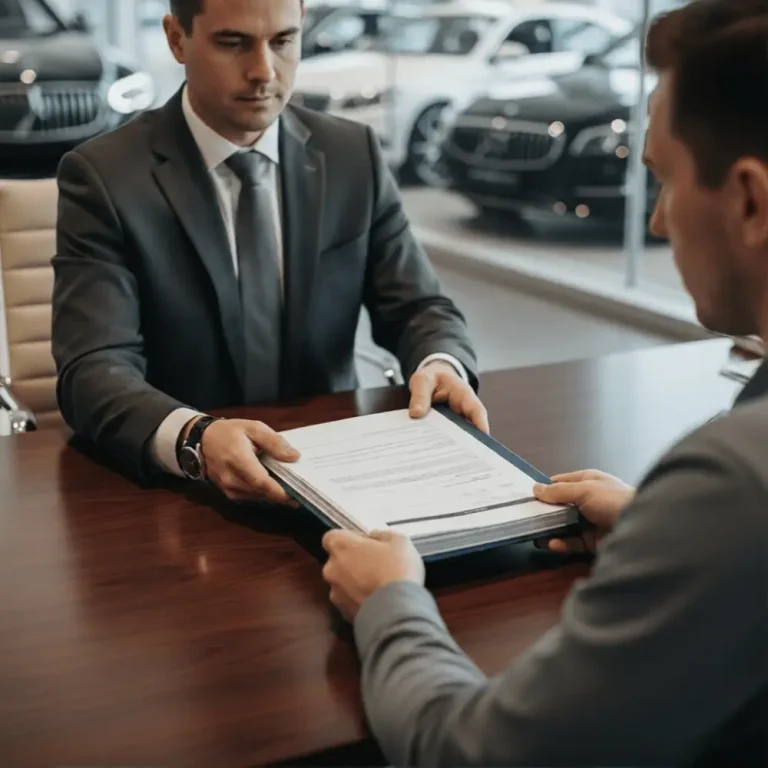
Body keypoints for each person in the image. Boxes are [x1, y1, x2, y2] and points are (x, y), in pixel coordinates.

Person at [321, 1, 768, 764]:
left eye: (661, 179)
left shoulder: (734, 478)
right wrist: (656, 533)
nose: (658, 223)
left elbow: (474, 752)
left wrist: (390, 602)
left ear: (751, 200)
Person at [51, 0, 486, 497]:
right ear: (176, 39)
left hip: (339, 467)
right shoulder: (105, 177)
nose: (263, 71)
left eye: (283, 42)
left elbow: (418, 307)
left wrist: (441, 364)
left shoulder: (352, 156)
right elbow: (93, 367)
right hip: (183, 494)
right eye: (233, 43)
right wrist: (196, 437)